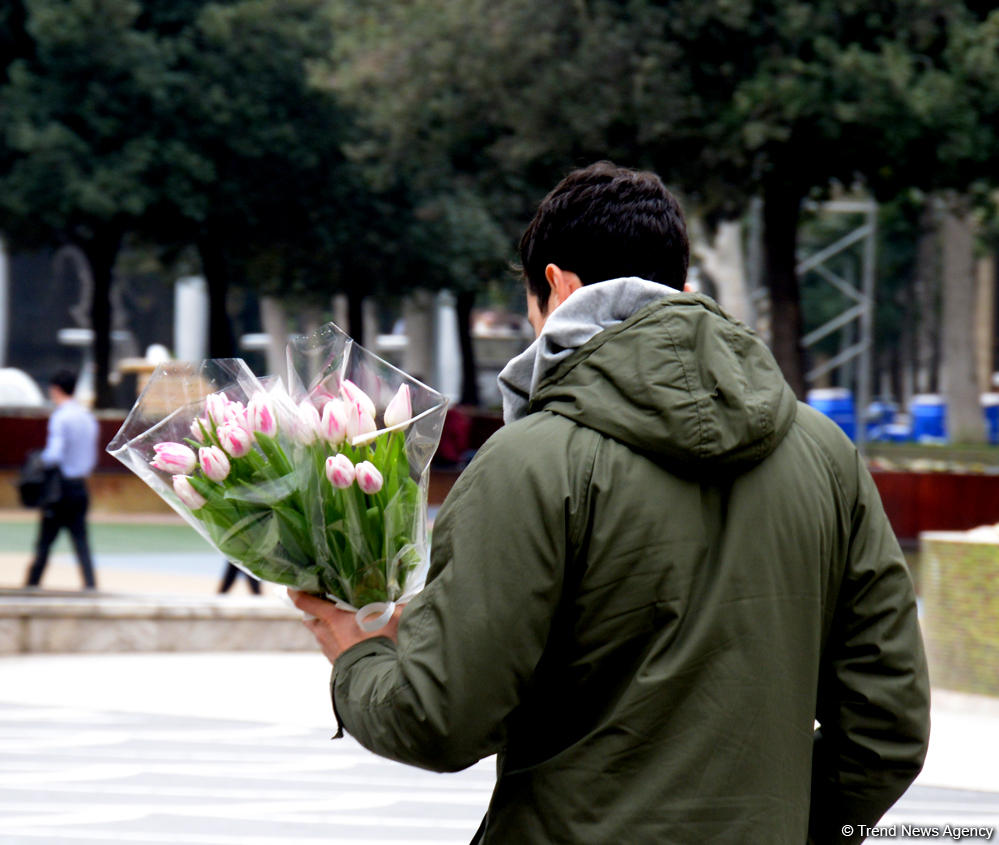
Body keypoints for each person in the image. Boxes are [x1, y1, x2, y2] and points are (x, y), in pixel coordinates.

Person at [290, 162, 930, 844]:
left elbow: (440, 720)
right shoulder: (824, 452)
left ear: (558, 286)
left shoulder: (528, 461)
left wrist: (356, 655)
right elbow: (887, 724)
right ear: (680, 289)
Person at [24, 369, 99, 590]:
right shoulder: (87, 416)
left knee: (44, 542)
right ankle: (90, 586)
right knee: (81, 541)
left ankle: (31, 585)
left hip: (59, 489)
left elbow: (54, 455)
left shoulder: (60, 417)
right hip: (80, 487)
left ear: (56, 390)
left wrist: (37, 462)